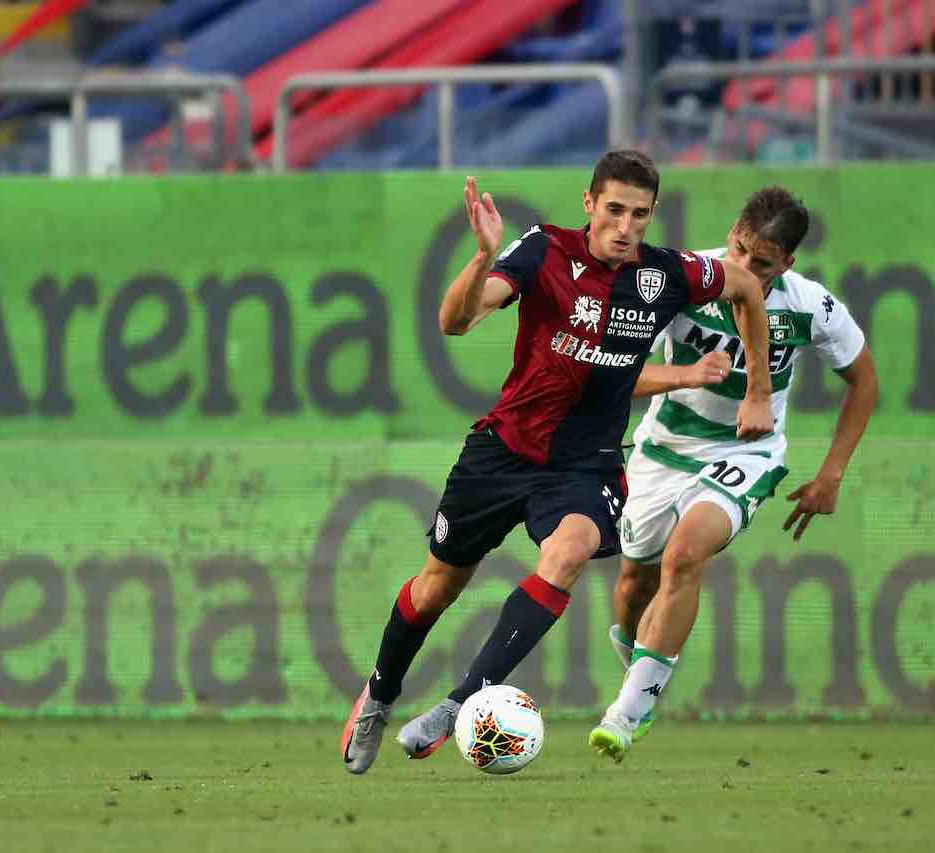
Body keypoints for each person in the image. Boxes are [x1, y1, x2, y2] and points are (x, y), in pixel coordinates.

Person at [341, 150, 778, 775]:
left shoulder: (669, 273)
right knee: (437, 586)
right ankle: (379, 697)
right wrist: (483, 254)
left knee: (570, 551)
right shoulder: (545, 250)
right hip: (502, 450)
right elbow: (455, 320)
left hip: (585, 466)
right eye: (615, 210)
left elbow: (745, 288)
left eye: (641, 215)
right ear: (589, 204)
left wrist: (759, 387)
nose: (627, 227)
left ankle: (460, 703)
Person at [589, 185, 879, 761]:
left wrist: (831, 475)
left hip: (748, 454)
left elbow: (864, 382)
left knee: (686, 555)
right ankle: (644, 669)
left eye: (763, 263)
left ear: (788, 263)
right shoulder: (680, 282)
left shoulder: (810, 306)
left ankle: (626, 714)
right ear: (731, 235)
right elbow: (612, 373)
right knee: (633, 588)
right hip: (663, 449)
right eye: (741, 252)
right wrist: (687, 374)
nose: (745, 268)